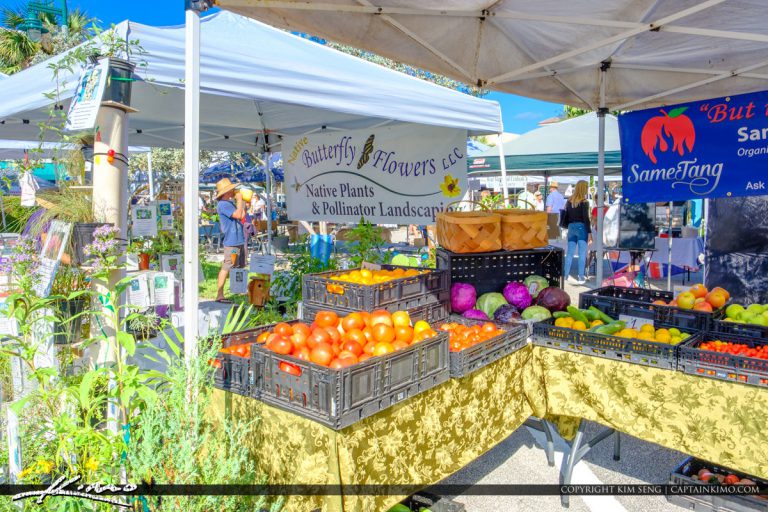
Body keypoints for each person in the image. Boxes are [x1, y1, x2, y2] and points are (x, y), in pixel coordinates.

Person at [215, 178, 246, 303]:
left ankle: (237, 289)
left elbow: (242, 215)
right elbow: (238, 215)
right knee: (228, 265)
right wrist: (239, 200)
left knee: (239, 266)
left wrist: (241, 202)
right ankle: (219, 294)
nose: (234, 191)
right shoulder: (223, 204)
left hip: (238, 239)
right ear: (226, 192)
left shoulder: (230, 203)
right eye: (232, 189)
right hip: (232, 240)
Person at [561, 180, 592, 285]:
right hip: (581, 227)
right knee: (582, 253)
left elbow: (567, 216)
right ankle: (580, 276)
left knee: (569, 253)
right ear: (583, 188)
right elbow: (586, 218)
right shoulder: (584, 202)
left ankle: (565, 275)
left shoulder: (569, 201)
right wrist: (590, 232)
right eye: (586, 187)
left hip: (571, 227)